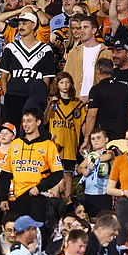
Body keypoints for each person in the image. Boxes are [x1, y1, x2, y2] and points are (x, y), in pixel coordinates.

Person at [0, 109, 63, 228]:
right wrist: (3, 198)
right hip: (16, 198)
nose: (25, 124)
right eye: (24, 121)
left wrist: (39, 188)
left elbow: (58, 173)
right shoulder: (15, 144)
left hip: (36, 197)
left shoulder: (48, 145)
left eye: (29, 121)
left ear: (38, 122)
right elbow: (5, 173)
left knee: (36, 233)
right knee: (17, 233)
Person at [0, 11, 56, 127]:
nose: (21, 27)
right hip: (13, 97)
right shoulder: (11, 47)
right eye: (19, 24)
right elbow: (3, 76)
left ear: (34, 25)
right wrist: (7, 94)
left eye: (24, 23)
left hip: (35, 98)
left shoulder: (45, 50)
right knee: (10, 130)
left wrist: (42, 98)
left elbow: (46, 79)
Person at [46, 72, 87, 201]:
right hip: (55, 143)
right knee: (53, 173)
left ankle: (68, 200)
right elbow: (44, 120)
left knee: (68, 173)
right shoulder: (53, 102)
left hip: (70, 143)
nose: (65, 85)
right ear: (57, 85)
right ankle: (54, 198)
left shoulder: (78, 104)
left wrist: (86, 139)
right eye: (62, 82)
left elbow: (83, 124)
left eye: (67, 82)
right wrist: (49, 104)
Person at [82, 59, 128, 144]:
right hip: (124, 136)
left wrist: (86, 138)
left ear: (98, 71)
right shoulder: (125, 88)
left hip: (105, 138)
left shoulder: (96, 89)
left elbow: (92, 116)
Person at [63, 16, 112, 101]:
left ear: (94, 30)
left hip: (99, 101)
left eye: (85, 27)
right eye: (80, 28)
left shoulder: (106, 52)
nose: (81, 31)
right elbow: (65, 77)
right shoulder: (73, 53)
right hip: (76, 102)